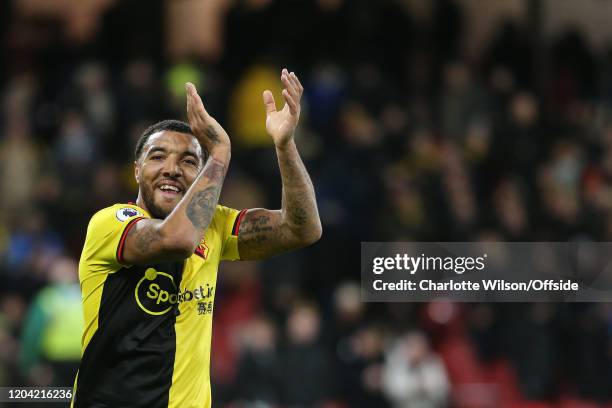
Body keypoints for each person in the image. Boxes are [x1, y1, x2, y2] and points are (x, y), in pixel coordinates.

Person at [71, 69, 321, 407]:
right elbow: (176, 240)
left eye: (189, 161)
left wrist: (284, 146)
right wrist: (218, 154)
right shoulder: (112, 223)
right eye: (158, 156)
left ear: (202, 176)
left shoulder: (214, 225)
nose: (172, 168)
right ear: (135, 170)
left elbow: (302, 229)